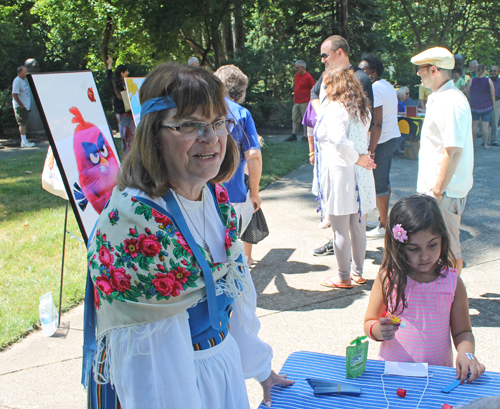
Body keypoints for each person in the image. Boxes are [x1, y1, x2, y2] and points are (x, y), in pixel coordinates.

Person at [83, 63, 293, 409]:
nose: (210, 138)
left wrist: (260, 368)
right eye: (189, 125)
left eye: (218, 123)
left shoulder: (216, 197)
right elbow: (152, 372)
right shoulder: (135, 225)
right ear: (153, 133)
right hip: (180, 386)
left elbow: (233, 295)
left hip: (220, 373)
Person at [364, 195, 485, 383]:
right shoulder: (388, 279)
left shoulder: (453, 282)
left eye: (432, 245)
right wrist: (379, 330)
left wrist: (467, 355)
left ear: (443, 240)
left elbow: (463, 332)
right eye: (414, 248)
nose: (425, 256)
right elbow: (370, 321)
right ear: (399, 245)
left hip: (437, 376)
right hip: (393, 374)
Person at [310, 35, 374, 256]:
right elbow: (313, 95)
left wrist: (361, 156)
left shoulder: (360, 78)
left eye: (325, 55)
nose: (322, 61)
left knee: (348, 223)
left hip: (349, 163)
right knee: (350, 223)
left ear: (340, 53)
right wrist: (324, 119)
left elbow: (363, 123)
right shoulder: (329, 78)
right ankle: (353, 268)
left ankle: (345, 273)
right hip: (345, 159)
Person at [411, 46, 473, 275]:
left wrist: (436, 192)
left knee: (449, 249)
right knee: (442, 247)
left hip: (444, 192)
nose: (418, 74)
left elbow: (453, 151)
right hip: (440, 190)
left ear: (434, 70)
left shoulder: (450, 101)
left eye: (421, 69)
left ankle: (455, 302)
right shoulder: (442, 97)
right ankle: (448, 299)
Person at [315, 67, 376, 288]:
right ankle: (357, 273)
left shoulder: (335, 108)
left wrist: (356, 158)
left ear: (335, 84)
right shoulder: (362, 109)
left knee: (340, 228)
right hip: (360, 174)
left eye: (327, 83)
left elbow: (339, 140)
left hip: (342, 173)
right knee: (358, 226)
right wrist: (360, 158)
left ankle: (343, 277)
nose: (325, 88)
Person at [214, 64, 264, 266]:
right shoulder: (241, 114)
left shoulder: (198, 109)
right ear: (241, 92)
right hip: (233, 192)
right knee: (232, 249)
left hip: (199, 192)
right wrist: (254, 192)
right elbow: (253, 155)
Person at [359, 54, 401, 239]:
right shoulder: (387, 85)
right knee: (384, 180)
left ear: (373, 73)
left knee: (380, 183)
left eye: (364, 71)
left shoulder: (375, 89)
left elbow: (377, 123)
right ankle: (383, 220)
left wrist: (371, 151)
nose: (360, 75)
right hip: (391, 137)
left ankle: (383, 226)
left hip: (382, 141)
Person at [106, 56, 136, 155]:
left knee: (123, 133)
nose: (127, 73)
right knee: (130, 133)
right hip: (126, 111)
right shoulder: (125, 83)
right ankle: (131, 151)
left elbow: (108, 77)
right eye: (126, 71)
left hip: (118, 112)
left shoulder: (113, 82)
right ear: (122, 73)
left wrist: (109, 65)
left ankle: (126, 152)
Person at [285, 60, 315, 142]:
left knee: (305, 120)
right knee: (295, 119)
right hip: (296, 101)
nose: (296, 69)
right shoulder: (297, 76)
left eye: (297, 67)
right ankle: (294, 135)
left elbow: (314, 88)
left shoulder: (308, 77)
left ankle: (305, 136)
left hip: (305, 101)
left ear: (303, 67)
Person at [467, 64, 495, 149]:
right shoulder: (488, 80)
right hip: (486, 105)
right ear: (485, 70)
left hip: (475, 105)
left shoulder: (472, 80)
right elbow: (492, 94)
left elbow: (468, 92)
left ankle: (472, 144)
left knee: (474, 125)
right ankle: (486, 144)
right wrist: (493, 105)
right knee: (485, 125)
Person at [12, 66, 35, 148]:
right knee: (22, 124)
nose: (27, 73)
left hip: (24, 107)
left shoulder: (22, 81)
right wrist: (21, 104)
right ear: (20, 72)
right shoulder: (17, 81)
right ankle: (23, 141)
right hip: (20, 107)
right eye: (25, 71)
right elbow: (14, 94)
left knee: (24, 123)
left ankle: (24, 140)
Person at [489, 65, 500, 146]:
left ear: (498, 72)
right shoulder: (487, 80)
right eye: (491, 71)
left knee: (494, 122)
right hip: (486, 101)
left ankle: (493, 140)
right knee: (484, 122)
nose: (493, 72)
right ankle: (485, 140)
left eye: (494, 71)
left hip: (496, 102)